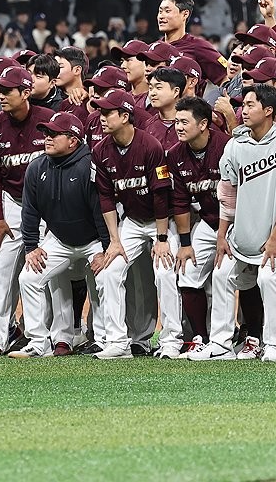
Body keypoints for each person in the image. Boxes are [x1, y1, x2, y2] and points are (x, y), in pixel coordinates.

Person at [190, 85, 276, 361]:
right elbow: (228, 194)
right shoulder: (235, 145)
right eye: (243, 105)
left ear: (269, 111)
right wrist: (222, 235)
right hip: (241, 230)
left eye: (251, 105)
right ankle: (220, 343)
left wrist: (275, 238)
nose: (244, 110)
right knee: (221, 274)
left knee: (268, 278)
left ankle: (274, 345)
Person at [8, 112, 115, 358]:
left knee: (104, 278)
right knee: (28, 278)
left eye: (55, 134)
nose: (47, 138)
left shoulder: (89, 165)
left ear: (73, 140)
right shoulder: (37, 166)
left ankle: (105, 339)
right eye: (46, 133)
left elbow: (101, 210)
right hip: (58, 238)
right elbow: (30, 210)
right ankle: (38, 343)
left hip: (94, 240)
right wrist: (30, 247)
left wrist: (107, 248)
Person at [0, 65, 54, 357]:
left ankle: (56, 337)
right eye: (0, 90)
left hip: (47, 207)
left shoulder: (48, 120)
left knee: (47, 274)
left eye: (8, 90)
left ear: (26, 91)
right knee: (2, 276)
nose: (1, 95)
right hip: (13, 206)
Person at [90, 88, 177, 360]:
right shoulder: (100, 150)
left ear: (125, 115)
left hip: (162, 221)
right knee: (108, 273)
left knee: (164, 272)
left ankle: (171, 339)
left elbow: (161, 196)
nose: (101, 117)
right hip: (132, 222)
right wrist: (114, 241)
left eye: (107, 112)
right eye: (100, 111)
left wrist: (162, 240)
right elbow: (105, 198)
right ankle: (118, 342)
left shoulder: (150, 146)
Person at [166, 96, 230, 352]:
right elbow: (180, 201)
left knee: (231, 277)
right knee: (187, 273)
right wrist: (184, 243)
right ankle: (200, 338)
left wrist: (225, 234)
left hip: (236, 220)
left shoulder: (227, 147)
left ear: (203, 124)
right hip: (207, 221)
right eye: (176, 122)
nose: (178, 127)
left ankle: (251, 336)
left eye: (184, 121)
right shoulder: (175, 154)